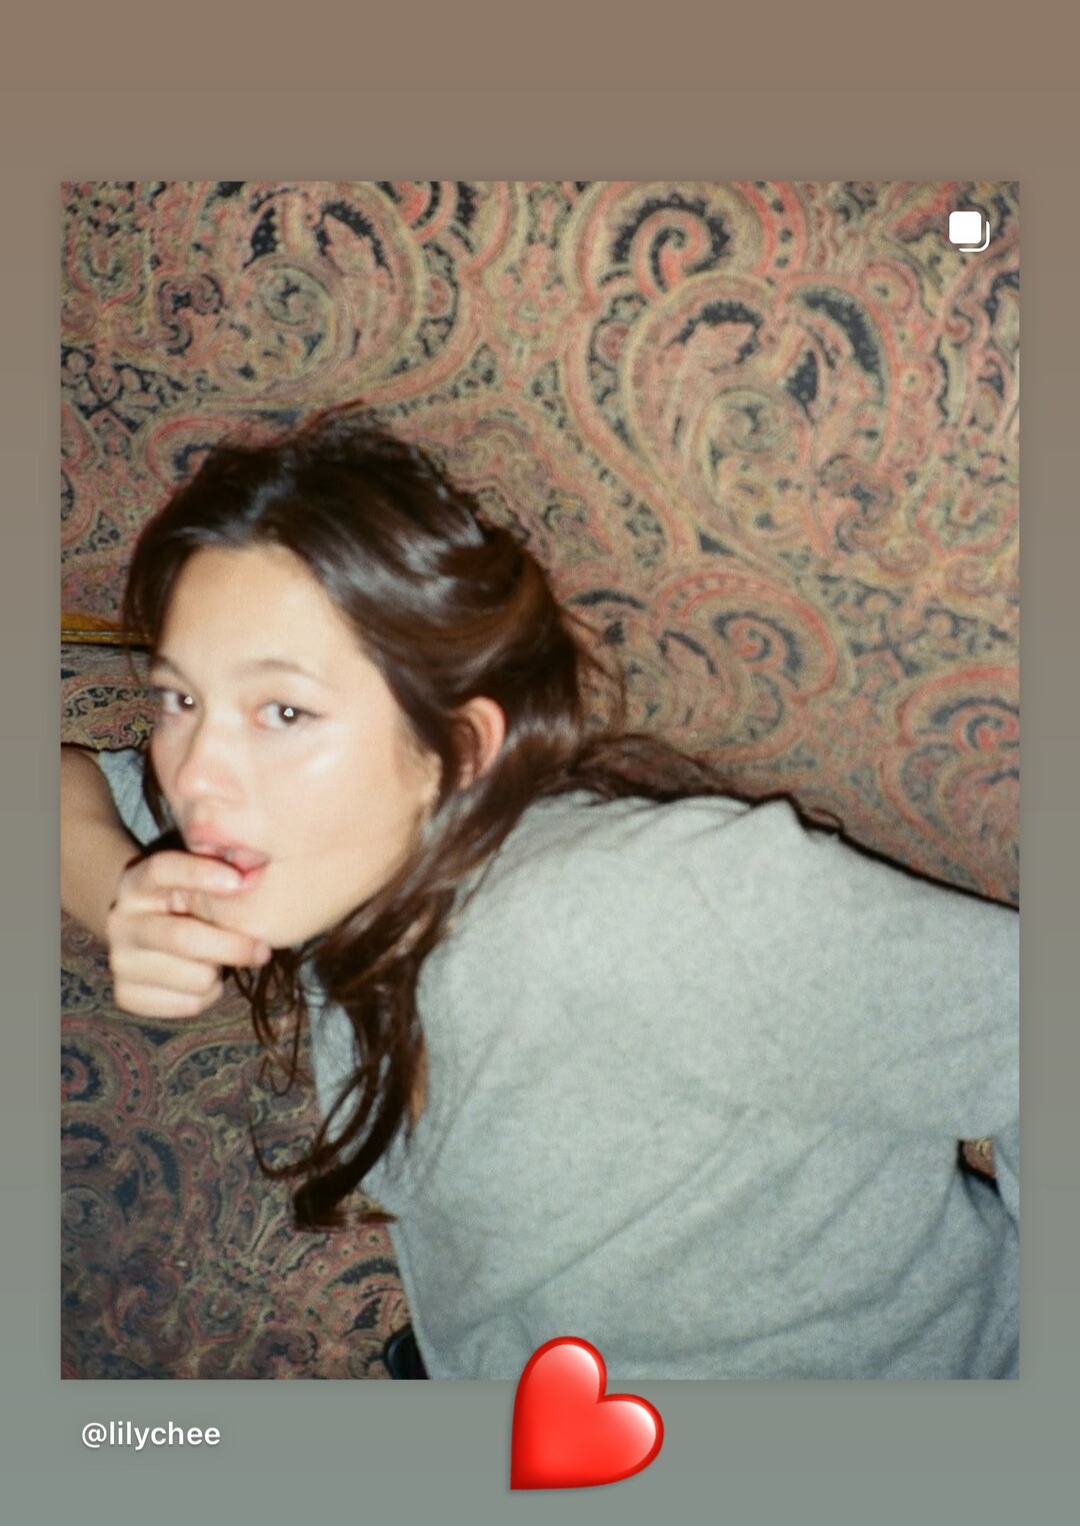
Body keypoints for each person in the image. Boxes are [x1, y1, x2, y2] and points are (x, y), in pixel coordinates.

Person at [61, 407, 1019, 1380]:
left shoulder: (655, 910)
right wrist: (123, 897)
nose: (196, 772)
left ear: (457, 747)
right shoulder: (322, 855)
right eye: (181, 698)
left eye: (283, 710)